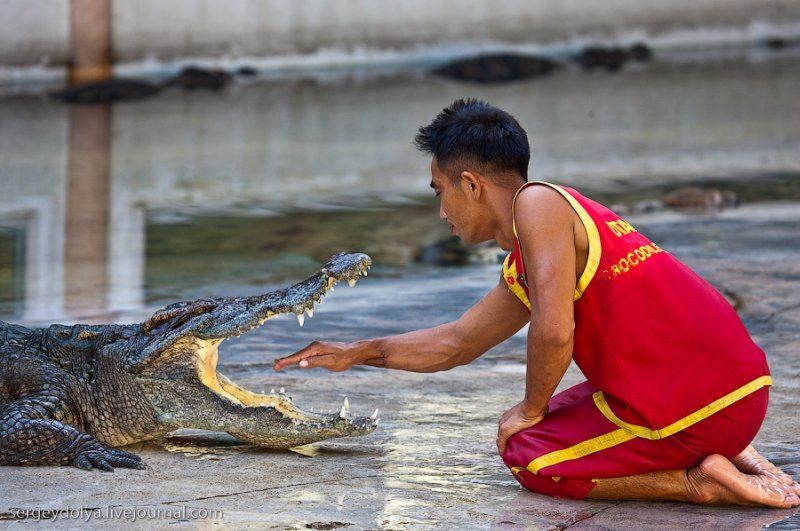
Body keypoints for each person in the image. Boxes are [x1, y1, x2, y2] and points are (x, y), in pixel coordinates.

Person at [273, 98, 800, 507]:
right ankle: (727, 451)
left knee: (529, 455)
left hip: (701, 405)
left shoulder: (539, 203)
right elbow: (458, 342)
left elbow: (554, 332)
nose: (441, 212)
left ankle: (696, 484)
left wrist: (529, 408)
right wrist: (359, 351)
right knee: (548, 421)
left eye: (439, 192)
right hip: (735, 389)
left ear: (471, 185)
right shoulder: (550, 231)